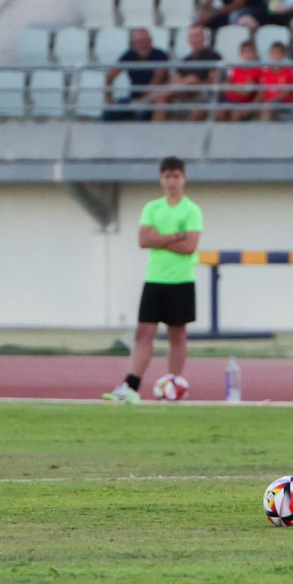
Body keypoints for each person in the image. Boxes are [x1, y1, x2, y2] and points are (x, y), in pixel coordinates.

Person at [106, 157, 202, 404]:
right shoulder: (152, 208)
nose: (172, 181)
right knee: (143, 332)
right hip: (155, 278)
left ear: (184, 178)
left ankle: (174, 384)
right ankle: (131, 386)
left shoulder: (191, 210)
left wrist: (161, 238)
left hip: (181, 279)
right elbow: (143, 241)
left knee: (177, 334)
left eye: (176, 176)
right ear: (161, 179)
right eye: (167, 176)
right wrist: (175, 236)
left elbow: (190, 246)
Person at [149, 24, 221, 122]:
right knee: (162, 100)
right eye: (193, 36)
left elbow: (214, 81)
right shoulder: (185, 60)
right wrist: (184, 84)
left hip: (203, 93)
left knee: (192, 79)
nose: (195, 39)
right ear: (189, 40)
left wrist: (194, 83)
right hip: (184, 92)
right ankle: (156, 131)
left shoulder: (214, 57)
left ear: (204, 38)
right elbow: (174, 80)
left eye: (198, 36)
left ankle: (158, 94)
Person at [101, 27, 169, 122]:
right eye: (140, 41)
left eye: (146, 40)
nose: (144, 44)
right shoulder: (129, 55)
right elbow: (111, 75)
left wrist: (141, 101)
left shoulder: (160, 55)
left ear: (151, 41)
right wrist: (109, 98)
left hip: (152, 99)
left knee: (141, 113)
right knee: (109, 112)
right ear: (134, 43)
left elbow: (156, 81)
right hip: (133, 98)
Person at [220, 40, 263, 121]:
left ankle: (234, 133)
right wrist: (240, 88)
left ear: (255, 53)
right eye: (245, 52)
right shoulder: (235, 68)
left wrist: (232, 87)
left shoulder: (259, 70)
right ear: (240, 54)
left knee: (236, 113)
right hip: (229, 100)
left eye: (250, 52)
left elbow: (247, 93)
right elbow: (224, 86)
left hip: (246, 104)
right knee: (220, 111)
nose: (248, 56)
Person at [257, 41, 293, 118]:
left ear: (284, 56)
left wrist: (267, 102)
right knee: (239, 111)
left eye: (278, 53)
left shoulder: (289, 72)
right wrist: (255, 103)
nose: (275, 56)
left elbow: (283, 94)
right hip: (266, 102)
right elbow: (262, 91)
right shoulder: (266, 71)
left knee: (267, 108)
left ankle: (264, 129)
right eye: (272, 53)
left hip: (283, 104)